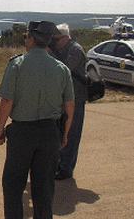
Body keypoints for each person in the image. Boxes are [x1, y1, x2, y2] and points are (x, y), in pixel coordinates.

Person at [0, 21, 75, 219]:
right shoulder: (61, 68)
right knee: (44, 189)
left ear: (31, 39)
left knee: (13, 185)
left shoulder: (17, 64)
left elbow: (7, 100)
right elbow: (69, 106)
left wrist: (0, 128)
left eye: (26, 37)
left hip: (22, 133)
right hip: (49, 133)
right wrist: (64, 134)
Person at [49, 23, 88, 180]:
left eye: (57, 39)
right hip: (65, 97)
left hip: (76, 98)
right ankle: (60, 162)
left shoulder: (75, 50)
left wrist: (50, 54)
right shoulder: (63, 49)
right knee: (61, 131)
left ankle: (67, 168)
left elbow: (63, 69)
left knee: (72, 133)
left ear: (66, 37)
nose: (55, 42)